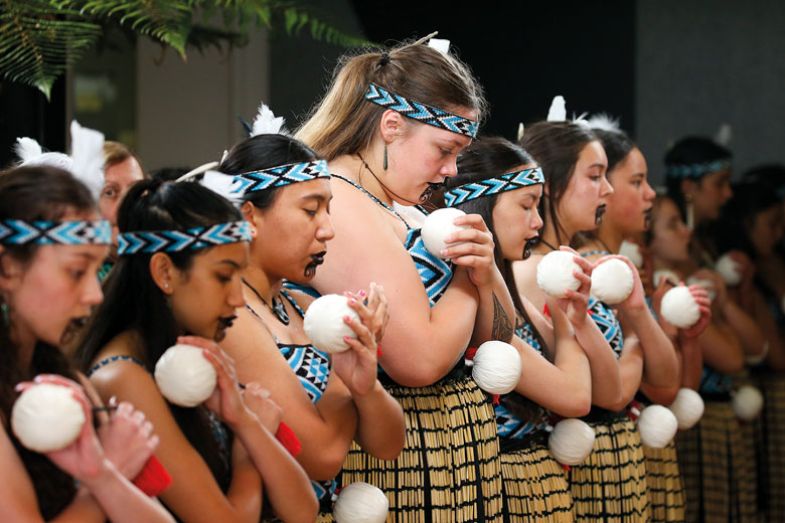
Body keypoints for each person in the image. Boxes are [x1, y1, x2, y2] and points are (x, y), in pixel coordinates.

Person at [296, 35, 512, 521]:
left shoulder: (398, 200)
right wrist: (464, 277)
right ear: (391, 126)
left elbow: (499, 339)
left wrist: (487, 269)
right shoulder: (341, 200)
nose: (451, 171)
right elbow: (420, 360)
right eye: (444, 149)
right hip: (399, 467)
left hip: (447, 456)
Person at [77, 179, 317, 522]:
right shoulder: (122, 376)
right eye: (223, 277)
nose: (237, 299)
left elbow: (303, 512)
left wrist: (244, 421)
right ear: (164, 272)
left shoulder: (192, 347)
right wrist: (249, 455)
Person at [205, 130, 405, 520]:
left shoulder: (300, 305)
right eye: (311, 210)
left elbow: (388, 446)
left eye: (328, 210)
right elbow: (324, 457)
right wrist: (347, 389)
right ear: (249, 218)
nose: (328, 229)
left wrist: (365, 385)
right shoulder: (229, 319)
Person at [0, 164, 173, 522]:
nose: (95, 294)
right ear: (7, 269)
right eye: (77, 272)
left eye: (96, 272)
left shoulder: (67, 378)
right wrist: (105, 476)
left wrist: (105, 475)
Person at [447, 136, 591, 522]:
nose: (538, 222)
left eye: (539, 206)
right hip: (501, 490)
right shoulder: (475, 302)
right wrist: (565, 315)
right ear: (482, 204)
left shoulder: (510, 294)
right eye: (526, 205)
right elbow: (576, 396)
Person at [515, 112, 649, 521]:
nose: (606, 189)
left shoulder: (569, 264)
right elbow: (606, 395)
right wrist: (636, 341)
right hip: (576, 471)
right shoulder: (533, 272)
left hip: (606, 461)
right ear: (550, 186)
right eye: (595, 176)